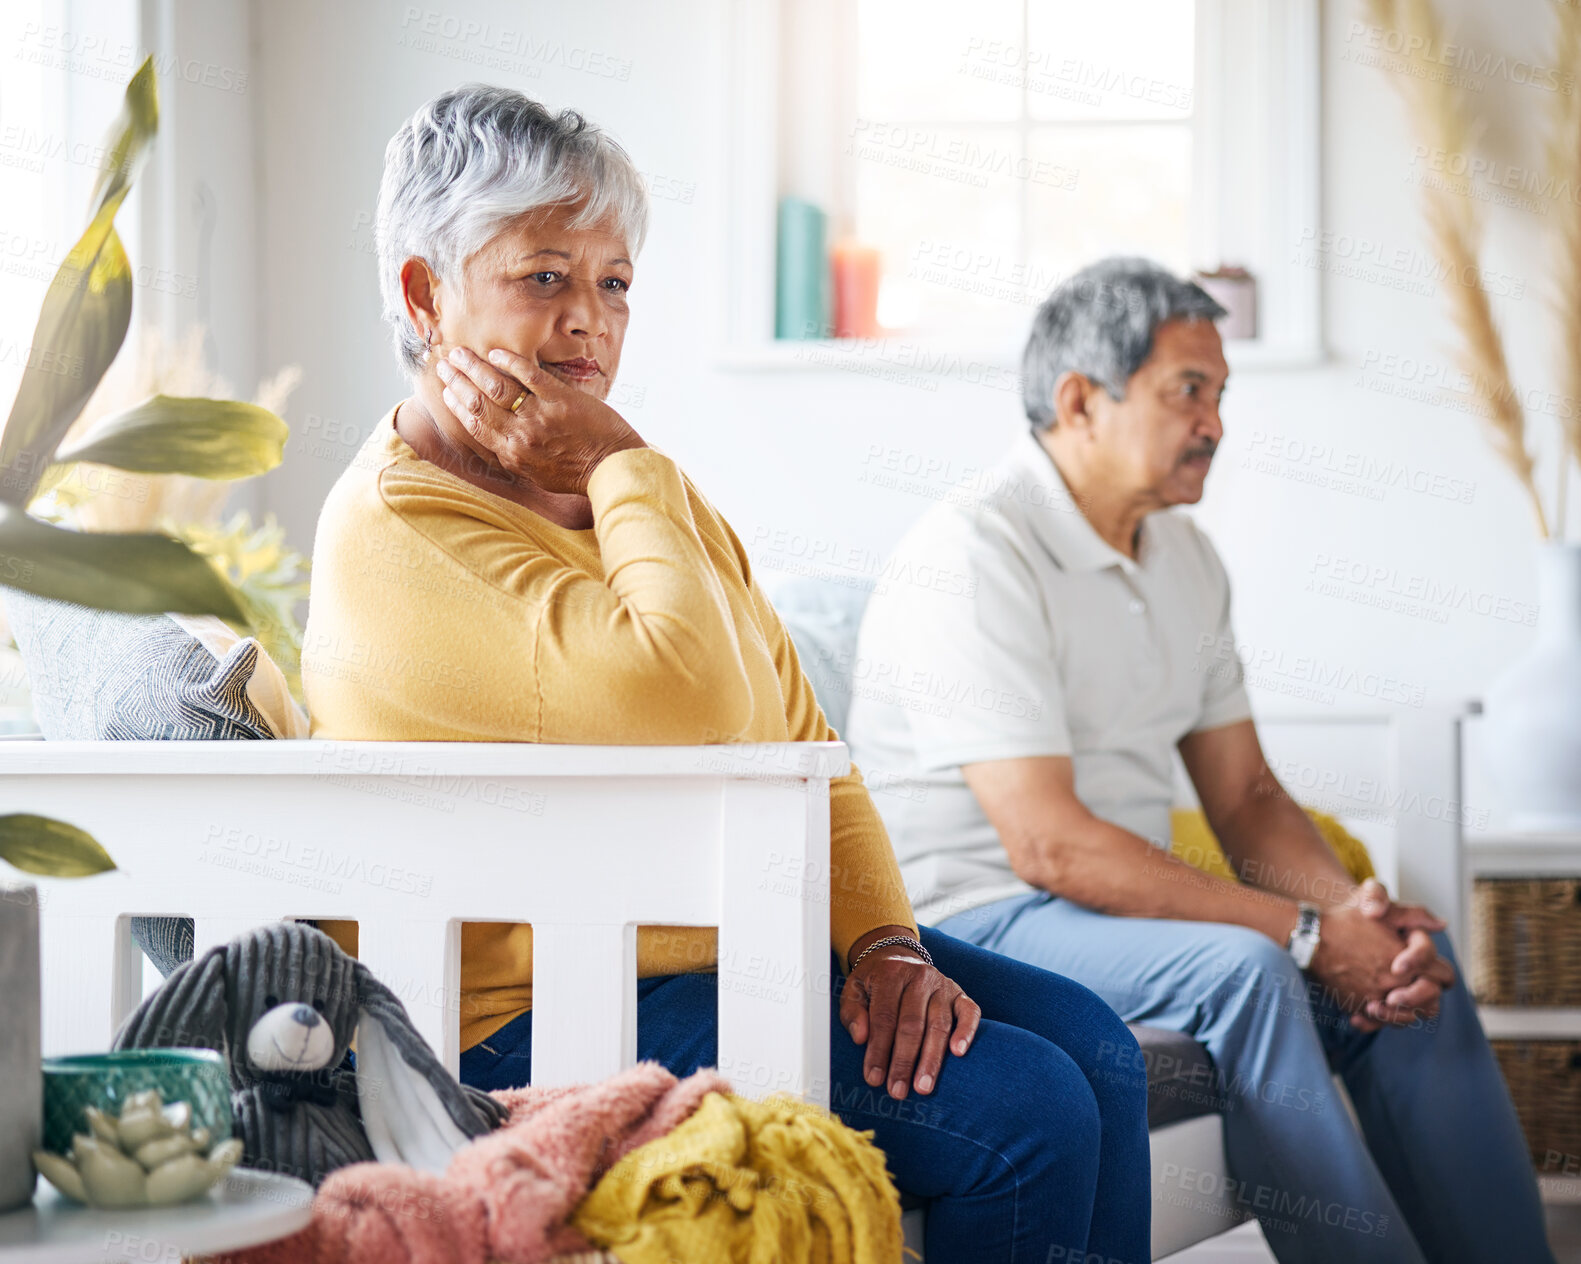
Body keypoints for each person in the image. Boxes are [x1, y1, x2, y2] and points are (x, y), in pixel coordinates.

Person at [301, 86, 1151, 1264]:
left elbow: (799, 732)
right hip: (535, 1019)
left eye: (614, 283)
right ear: (424, 293)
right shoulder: (401, 530)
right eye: (544, 277)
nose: (590, 324)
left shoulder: (626, 484)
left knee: (1100, 1049)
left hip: (736, 942)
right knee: (1028, 1114)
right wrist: (618, 461)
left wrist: (886, 944)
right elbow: (688, 706)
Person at [845, 255, 1555, 1264]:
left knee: (1416, 982)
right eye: (1189, 391)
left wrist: (1357, 927)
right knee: (1250, 970)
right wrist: (1308, 935)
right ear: (1081, 399)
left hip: (1111, 914)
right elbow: (1047, 845)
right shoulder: (971, 551)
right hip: (978, 915)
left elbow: (1247, 794)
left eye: (1221, 393)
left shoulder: (1185, 559)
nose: (1216, 422)